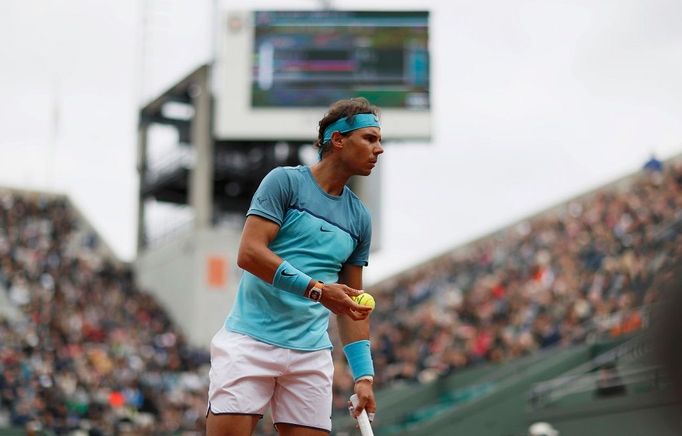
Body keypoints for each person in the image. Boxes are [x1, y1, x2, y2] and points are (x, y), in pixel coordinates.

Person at [206, 97, 384, 436]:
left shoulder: (360, 217)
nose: (379, 150)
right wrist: (317, 290)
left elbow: (352, 305)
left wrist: (363, 377)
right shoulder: (284, 182)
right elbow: (249, 254)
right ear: (338, 140)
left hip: (310, 355)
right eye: (370, 139)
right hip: (249, 341)